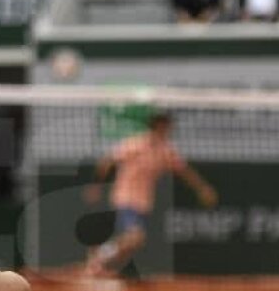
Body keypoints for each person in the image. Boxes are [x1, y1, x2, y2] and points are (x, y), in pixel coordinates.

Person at [84, 112, 218, 279]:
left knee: (133, 242)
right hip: (126, 197)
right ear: (157, 126)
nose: (168, 130)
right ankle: (98, 258)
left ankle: (103, 264)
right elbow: (107, 161)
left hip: (143, 202)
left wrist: (202, 188)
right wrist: (96, 186)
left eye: (169, 127)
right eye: (165, 127)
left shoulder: (166, 150)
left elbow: (184, 171)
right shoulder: (135, 144)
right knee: (135, 237)